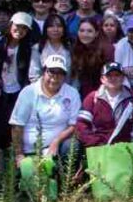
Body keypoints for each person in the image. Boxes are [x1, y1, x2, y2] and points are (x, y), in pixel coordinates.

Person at [10, 54, 81, 190]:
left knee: (73, 146)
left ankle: (65, 186)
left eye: (60, 73)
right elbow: (17, 125)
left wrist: (56, 141)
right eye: (51, 71)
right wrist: (19, 155)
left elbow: (74, 125)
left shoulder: (72, 93)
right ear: (44, 72)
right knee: (25, 187)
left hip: (56, 150)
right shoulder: (28, 92)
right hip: (30, 150)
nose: (55, 77)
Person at [76, 62, 133, 162]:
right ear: (102, 79)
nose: (113, 78)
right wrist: (95, 144)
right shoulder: (92, 99)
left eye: (117, 75)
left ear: (123, 78)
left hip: (125, 152)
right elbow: (81, 125)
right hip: (99, 152)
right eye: (109, 75)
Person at [0, 12, 33, 105]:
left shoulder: (28, 48)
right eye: (18, 26)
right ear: (11, 25)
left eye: (24, 28)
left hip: (19, 91)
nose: (20, 30)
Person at [70, 19, 115, 100]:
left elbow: (109, 77)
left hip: (102, 92)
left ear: (96, 33)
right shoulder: (76, 48)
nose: (85, 34)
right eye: (82, 30)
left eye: (89, 31)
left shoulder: (107, 50)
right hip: (82, 91)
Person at [28, 14, 71, 83]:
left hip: (67, 89)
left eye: (59, 26)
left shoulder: (70, 48)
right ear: (46, 29)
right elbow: (34, 75)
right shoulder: (38, 48)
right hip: (44, 89)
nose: (55, 29)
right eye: (51, 26)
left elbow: (75, 75)